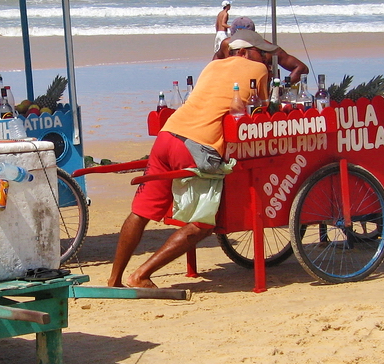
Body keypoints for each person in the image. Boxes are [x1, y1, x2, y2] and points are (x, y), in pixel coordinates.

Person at [108, 29, 273, 288]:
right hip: (198, 145)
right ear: (243, 51)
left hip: (167, 136)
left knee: (140, 211)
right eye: (260, 52)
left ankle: (114, 278)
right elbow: (262, 109)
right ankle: (141, 274)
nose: (264, 57)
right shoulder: (258, 70)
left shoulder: (212, 66)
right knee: (204, 223)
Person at [214, 16, 308, 84]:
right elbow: (301, 68)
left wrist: (282, 88)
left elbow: (302, 69)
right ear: (254, 32)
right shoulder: (226, 45)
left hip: (258, 98)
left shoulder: (267, 49)